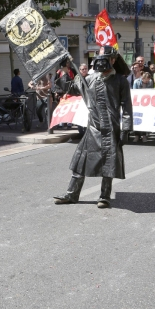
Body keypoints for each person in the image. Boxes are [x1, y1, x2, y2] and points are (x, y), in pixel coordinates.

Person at [53, 47, 133, 209]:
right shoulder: (90, 79)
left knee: (108, 162)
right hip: (93, 127)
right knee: (80, 161)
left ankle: (104, 196)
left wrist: (126, 129)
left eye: (108, 58)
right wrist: (64, 69)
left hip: (111, 128)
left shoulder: (120, 80)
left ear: (113, 60)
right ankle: (72, 194)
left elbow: (127, 107)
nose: (103, 61)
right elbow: (70, 87)